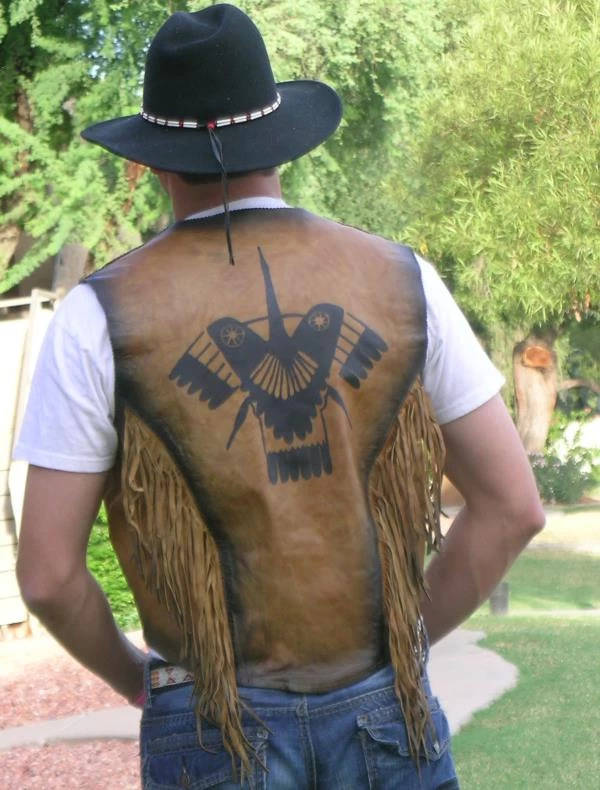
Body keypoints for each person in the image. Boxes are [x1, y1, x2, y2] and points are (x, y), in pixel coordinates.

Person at [14, 4, 545, 788]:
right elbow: (513, 509)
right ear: (281, 140)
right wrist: (398, 649)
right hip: (386, 711)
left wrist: (146, 683)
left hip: (210, 722)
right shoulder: (405, 281)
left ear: (155, 162)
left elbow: (48, 577)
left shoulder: (98, 316)